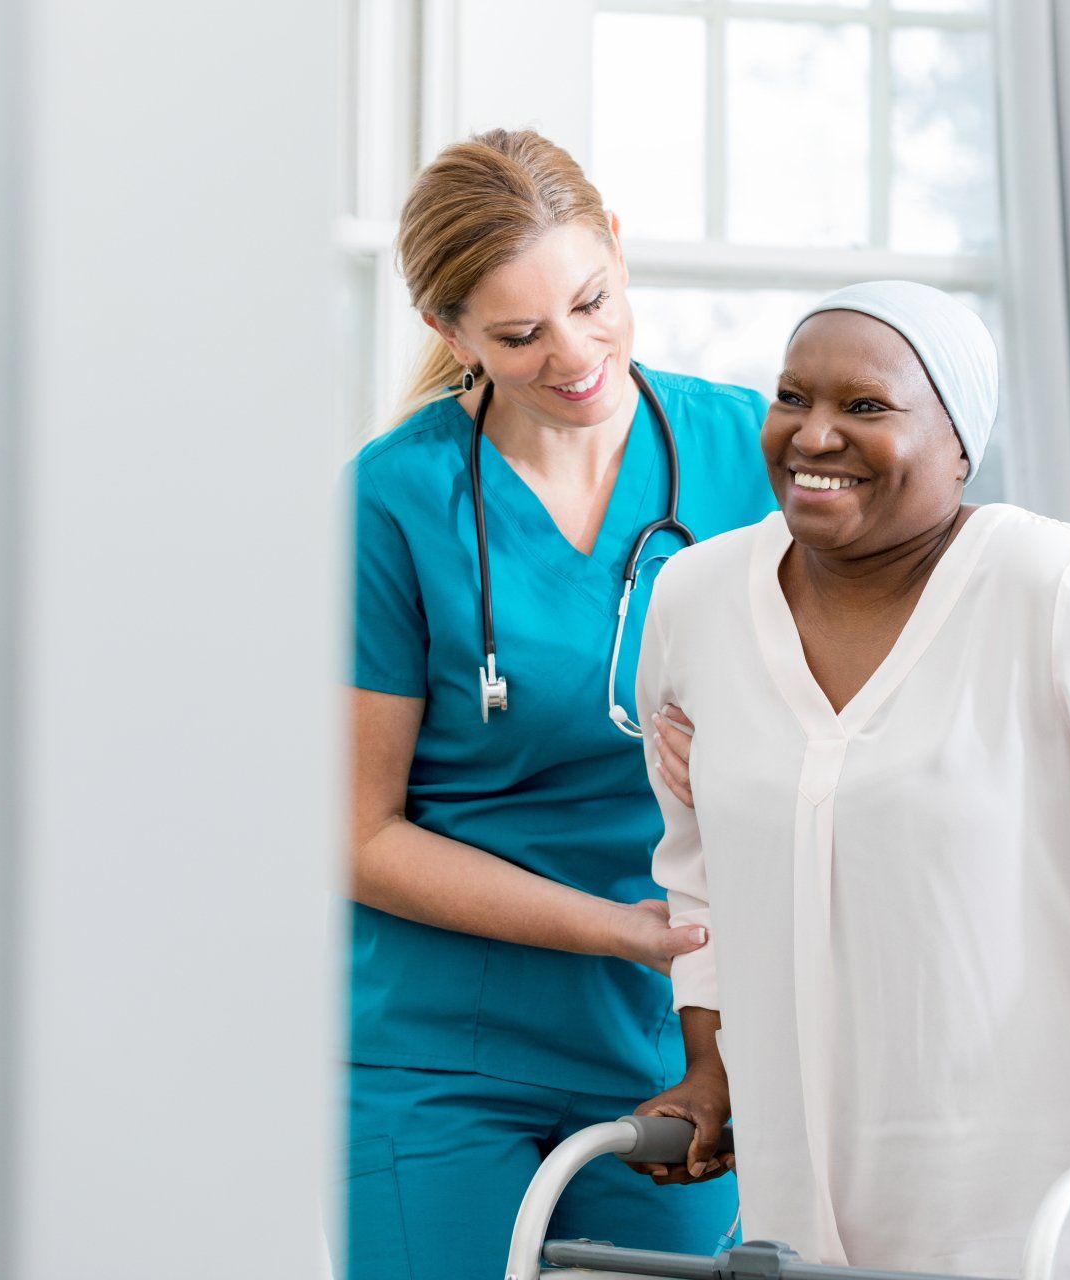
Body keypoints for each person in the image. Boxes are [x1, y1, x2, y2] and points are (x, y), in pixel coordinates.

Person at [630, 281, 1070, 1280]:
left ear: (960, 442)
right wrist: (711, 1065)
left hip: (1042, 1213)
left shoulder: (1062, 592)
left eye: (865, 406)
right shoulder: (697, 599)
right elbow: (700, 869)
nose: (815, 435)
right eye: (793, 398)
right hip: (801, 1211)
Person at [340, 129, 772, 1280]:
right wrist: (621, 927)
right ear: (450, 332)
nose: (576, 355)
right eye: (521, 336)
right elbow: (355, 833)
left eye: (593, 302)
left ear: (620, 252)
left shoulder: (753, 453)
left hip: (681, 1040)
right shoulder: (395, 498)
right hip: (437, 1047)